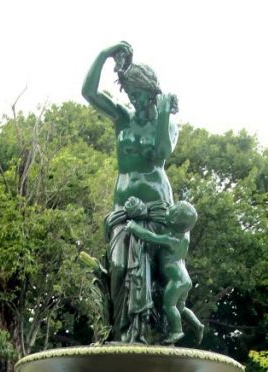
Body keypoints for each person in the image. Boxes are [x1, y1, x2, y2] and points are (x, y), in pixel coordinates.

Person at [82, 42, 189, 344]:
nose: (134, 100)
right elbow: (88, 93)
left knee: (154, 274)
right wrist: (103, 55)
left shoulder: (166, 123)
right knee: (118, 266)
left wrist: (165, 112)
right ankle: (120, 332)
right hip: (122, 207)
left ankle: (145, 334)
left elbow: (160, 153)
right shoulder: (121, 118)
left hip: (156, 206)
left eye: (139, 95)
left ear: (152, 92)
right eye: (130, 95)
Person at [126, 201, 204, 343]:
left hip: (176, 281)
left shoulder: (171, 239)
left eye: (169, 210)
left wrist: (134, 228)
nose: (166, 210)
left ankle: (177, 331)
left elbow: (150, 237)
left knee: (169, 306)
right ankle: (197, 325)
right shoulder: (185, 236)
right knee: (181, 307)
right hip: (185, 279)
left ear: (173, 220)